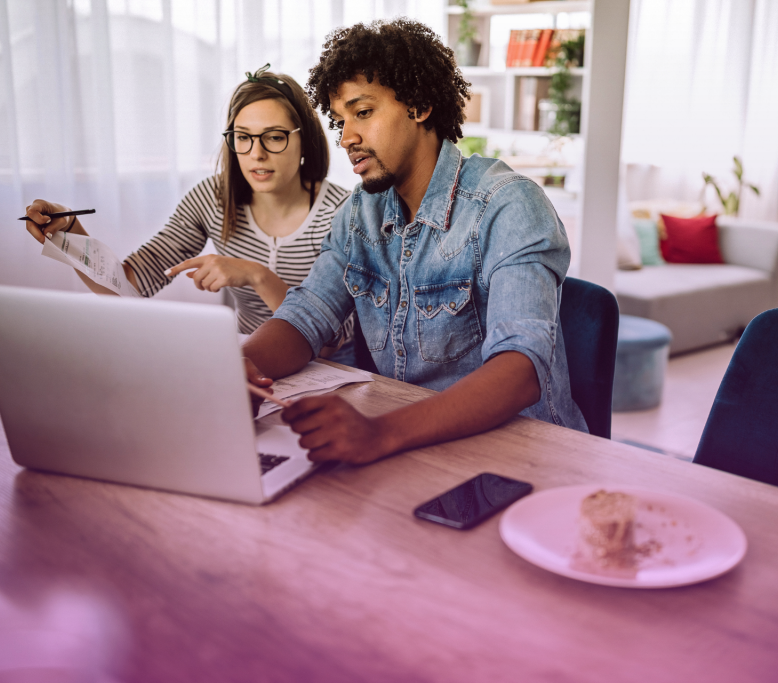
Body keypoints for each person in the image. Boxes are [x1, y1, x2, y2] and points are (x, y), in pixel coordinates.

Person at [243, 18, 587, 466]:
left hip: (525, 458)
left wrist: (379, 434)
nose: (346, 138)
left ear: (420, 105)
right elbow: (307, 314)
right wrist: (239, 367)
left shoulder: (507, 205)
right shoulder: (360, 213)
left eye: (363, 112)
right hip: (416, 446)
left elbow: (520, 369)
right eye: (341, 120)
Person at [23, 66, 354, 351]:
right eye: (243, 137)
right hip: (249, 365)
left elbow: (332, 341)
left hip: (332, 373)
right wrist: (69, 233)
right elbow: (126, 286)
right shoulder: (212, 198)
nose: (256, 153)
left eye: (274, 136)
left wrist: (257, 276)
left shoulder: (343, 212)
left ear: (304, 139)